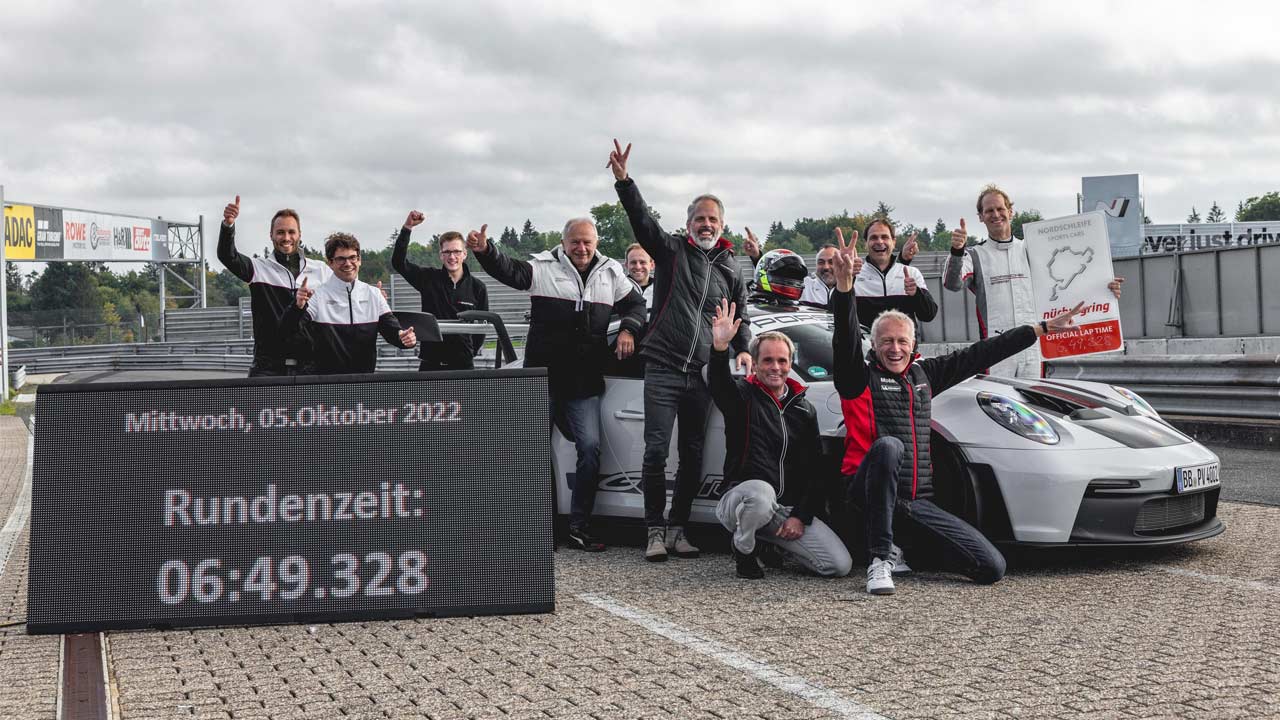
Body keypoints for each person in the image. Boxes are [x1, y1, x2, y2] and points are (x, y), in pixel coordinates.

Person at [829, 233, 1085, 595]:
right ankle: (879, 558)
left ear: (914, 345)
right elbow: (844, 341)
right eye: (886, 341)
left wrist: (1039, 330)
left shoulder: (924, 375)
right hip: (865, 494)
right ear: (874, 343)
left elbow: (981, 353)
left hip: (914, 502)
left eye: (902, 341)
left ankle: (905, 548)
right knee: (888, 445)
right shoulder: (858, 377)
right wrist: (844, 289)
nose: (894, 348)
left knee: (990, 568)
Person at [609, 139, 752, 562]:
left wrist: (743, 348)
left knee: (692, 453)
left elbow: (741, 314)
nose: (706, 225)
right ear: (688, 223)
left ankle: (679, 529)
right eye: (699, 218)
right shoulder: (670, 251)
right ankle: (653, 531)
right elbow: (642, 222)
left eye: (712, 219)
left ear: (722, 225)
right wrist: (625, 182)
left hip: (704, 372)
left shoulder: (731, 268)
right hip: (664, 366)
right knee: (656, 451)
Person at [469, 217, 646, 552]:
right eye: (575, 242)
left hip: (584, 382)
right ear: (563, 243)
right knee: (531, 452)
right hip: (543, 379)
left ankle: (579, 527)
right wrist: (486, 250)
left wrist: (628, 329)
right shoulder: (543, 267)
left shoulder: (610, 272)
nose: (581, 248)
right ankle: (536, 529)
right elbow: (509, 271)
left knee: (590, 450)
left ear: (596, 243)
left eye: (587, 242)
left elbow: (636, 304)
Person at [707, 298, 853, 580]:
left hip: (782, 510)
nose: (775, 367)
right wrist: (720, 348)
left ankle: (769, 542)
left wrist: (800, 516)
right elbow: (719, 385)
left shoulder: (804, 410)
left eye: (782, 361)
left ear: (790, 364)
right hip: (741, 500)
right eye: (768, 360)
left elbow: (815, 471)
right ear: (755, 364)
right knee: (761, 494)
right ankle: (744, 548)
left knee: (838, 565)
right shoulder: (741, 397)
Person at [943, 184, 1123, 377]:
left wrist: (1104, 288)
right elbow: (952, 284)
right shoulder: (974, 254)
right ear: (981, 216)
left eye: (1000, 208)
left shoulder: (1033, 249)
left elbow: (1070, 279)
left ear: (1010, 212)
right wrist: (956, 251)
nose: (995, 214)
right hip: (994, 351)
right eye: (989, 211)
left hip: (1034, 347)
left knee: (1033, 396)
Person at [216, 196, 330, 376]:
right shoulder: (258, 268)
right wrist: (228, 225)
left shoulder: (321, 270)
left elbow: (343, 293)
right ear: (271, 235)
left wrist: (372, 294)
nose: (286, 237)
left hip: (309, 366)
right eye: (280, 232)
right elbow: (227, 256)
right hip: (267, 368)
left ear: (299, 234)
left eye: (291, 232)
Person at [281, 233, 417, 374]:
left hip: (364, 382)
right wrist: (297, 307)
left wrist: (404, 338)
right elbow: (287, 332)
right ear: (330, 263)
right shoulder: (317, 296)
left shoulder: (374, 294)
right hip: (326, 383)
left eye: (352, 257)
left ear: (359, 260)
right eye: (341, 259)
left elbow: (392, 331)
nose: (348, 263)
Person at [392, 211, 489, 371]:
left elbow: (482, 328)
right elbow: (398, 263)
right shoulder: (428, 279)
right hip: (431, 364)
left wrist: (469, 352)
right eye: (447, 252)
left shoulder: (478, 288)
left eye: (456, 251)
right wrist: (407, 228)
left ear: (464, 254)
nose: (452, 256)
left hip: (463, 365)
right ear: (441, 255)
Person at [850, 221, 937, 330]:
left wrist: (916, 294)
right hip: (866, 341)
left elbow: (928, 315)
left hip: (904, 341)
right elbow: (836, 312)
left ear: (893, 242)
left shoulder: (911, 273)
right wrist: (846, 279)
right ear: (866, 243)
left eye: (884, 237)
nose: (879, 241)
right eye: (873, 238)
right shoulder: (853, 275)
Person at [625, 243, 655, 310]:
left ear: (652, 265)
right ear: (626, 265)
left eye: (642, 262)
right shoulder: (617, 290)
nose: (638, 267)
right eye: (633, 262)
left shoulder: (661, 290)